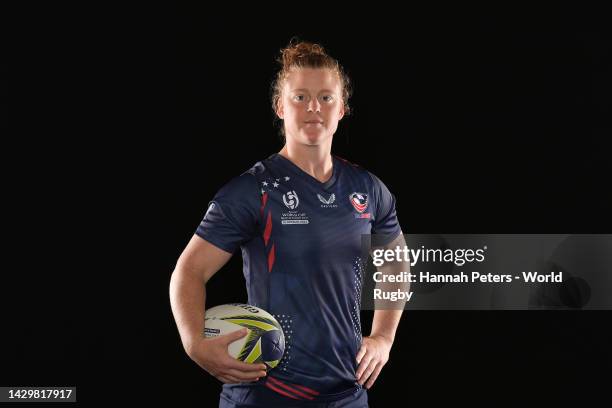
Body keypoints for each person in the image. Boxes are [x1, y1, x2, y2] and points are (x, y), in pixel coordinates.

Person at [170, 39, 406, 408]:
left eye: (326, 97)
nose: (314, 107)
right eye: (300, 97)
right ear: (281, 107)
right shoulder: (253, 190)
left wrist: (383, 338)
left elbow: (396, 262)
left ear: (342, 108)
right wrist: (193, 342)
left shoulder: (368, 189)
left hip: (347, 394)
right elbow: (189, 270)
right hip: (265, 393)